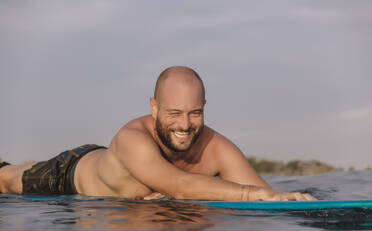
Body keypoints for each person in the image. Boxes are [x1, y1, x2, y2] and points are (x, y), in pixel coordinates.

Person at [0, 66, 315, 201]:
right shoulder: (132, 138)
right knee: (5, 180)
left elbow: (269, 196)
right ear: (154, 108)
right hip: (68, 174)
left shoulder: (215, 146)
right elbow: (180, 186)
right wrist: (254, 195)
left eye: (195, 113)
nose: (185, 125)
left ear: (204, 107)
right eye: (174, 114)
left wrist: (288, 200)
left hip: (109, 173)